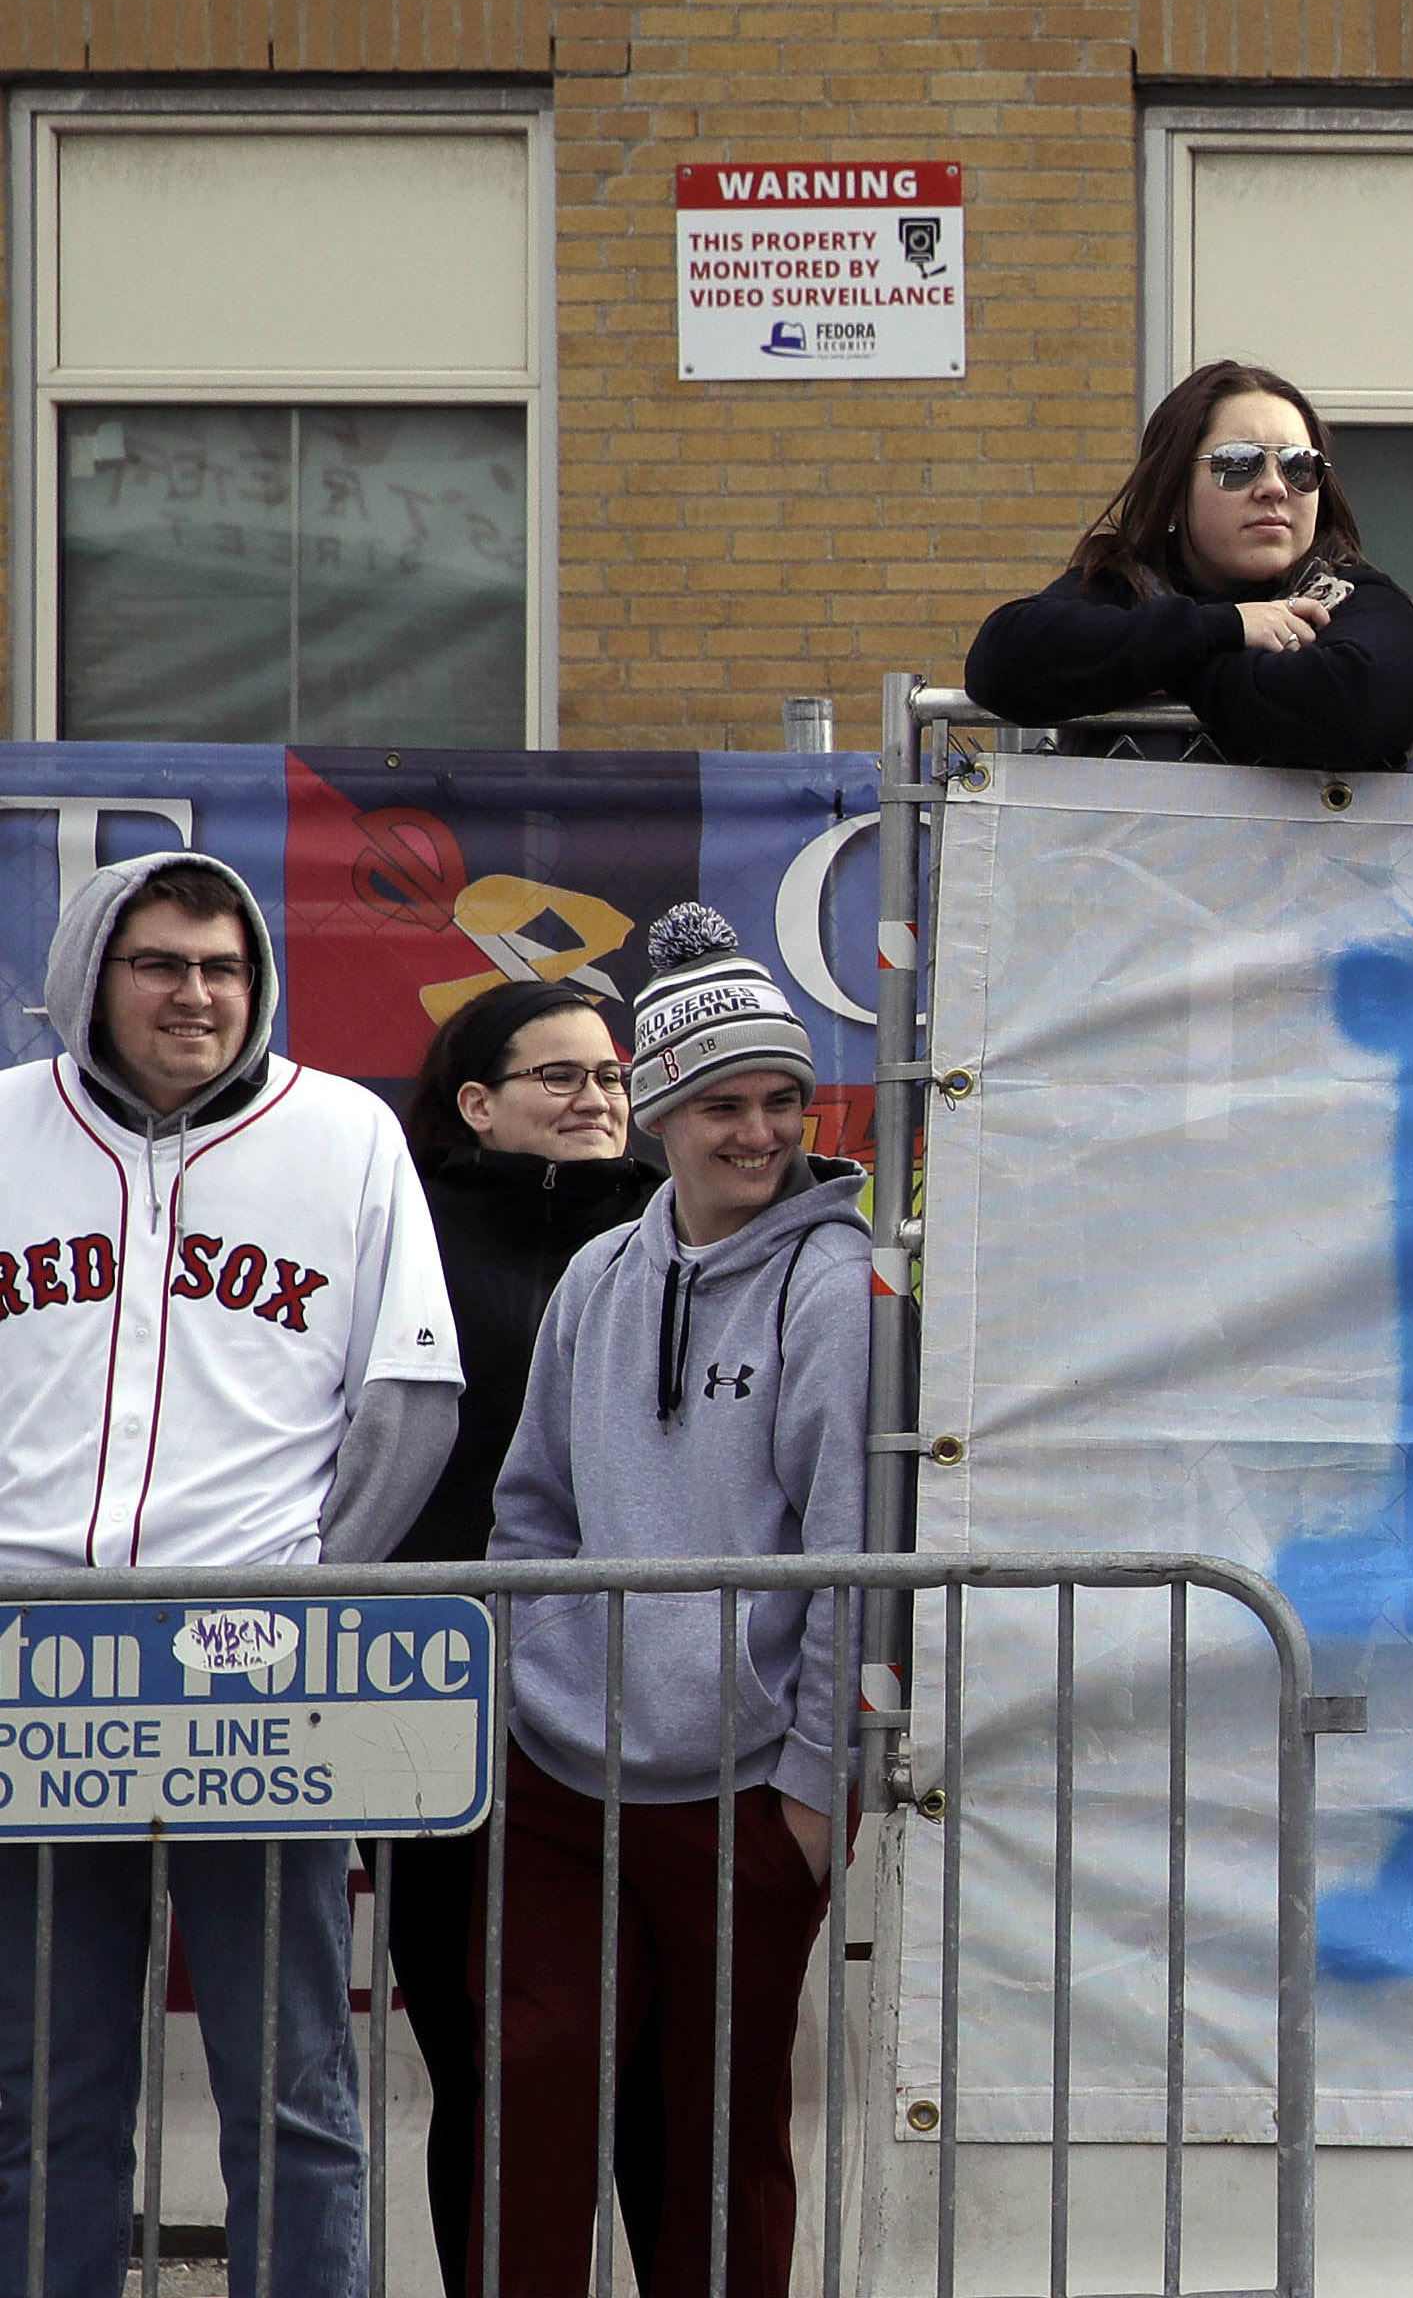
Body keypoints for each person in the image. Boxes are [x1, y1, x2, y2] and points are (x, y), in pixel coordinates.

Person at [0, 852, 461, 2297]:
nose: (196, 994)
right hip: (31, 1664)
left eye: (224, 967)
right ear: (91, 975)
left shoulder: (344, 1133)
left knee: (296, 2088)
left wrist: (314, 1586)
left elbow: (408, 1394)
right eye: (160, 963)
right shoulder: (4, 1128)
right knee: (42, 2090)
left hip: (255, 1668)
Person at [488, 903, 867, 2298]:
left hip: (742, 1789)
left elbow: (850, 1558)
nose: (759, 1133)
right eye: (722, 1105)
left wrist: (812, 1795)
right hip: (561, 1773)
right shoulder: (599, 1273)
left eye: (781, 1100)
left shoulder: (837, 1287)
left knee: (719, 2132)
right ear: (655, 1111)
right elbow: (530, 1505)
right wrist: (540, 1676)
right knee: (530, 2086)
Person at [388, 980, 669, 2298]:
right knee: (488, 2059)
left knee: (664, 2069)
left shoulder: (682, 1231)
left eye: (610, 1075)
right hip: (453, 1711)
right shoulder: (405, 1237)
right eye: (558, 1076)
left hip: (654, 1710)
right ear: (476, 1101)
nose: (595, 1098)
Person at [964, 358, 1413, 768]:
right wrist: (1225, 627)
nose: (1274, 487)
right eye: (1237, 463)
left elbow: (1365, 704)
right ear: (1173, 489)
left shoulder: (1353, 596)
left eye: (1299, 465)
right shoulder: (1121, 587)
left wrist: (1174, 667)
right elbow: (1003, 662)